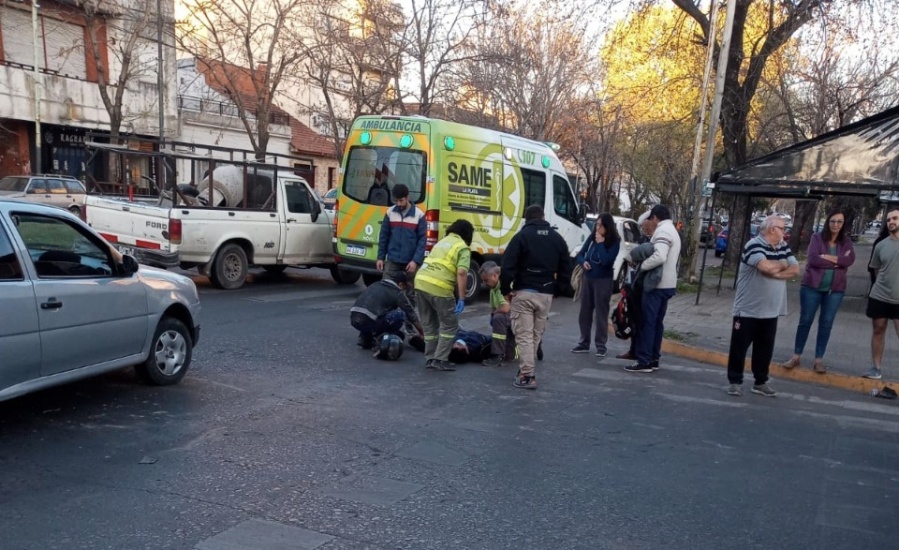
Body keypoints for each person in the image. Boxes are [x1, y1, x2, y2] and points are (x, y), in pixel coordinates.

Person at [726, 215, 799, 397]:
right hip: (748, 309)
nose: (785, 231)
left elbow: (795, 269)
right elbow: (765, 266)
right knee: (739, 347)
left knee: (765, 349)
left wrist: (777, 273)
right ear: (771, 228)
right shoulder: (754, 245)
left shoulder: (782, 246)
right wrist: (781, 264)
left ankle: (760, 381)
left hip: (771, 310)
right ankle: (735, 381)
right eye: (782, 228)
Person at [500, 205, 571, 389]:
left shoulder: (521, 237)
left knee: (523, 335)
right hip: (546, 294)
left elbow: (507, 265)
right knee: (535, 335)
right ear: (543, 217)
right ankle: (526, 367)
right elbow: (566, 267)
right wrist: (558, 289)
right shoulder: (557, 238)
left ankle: (527, 375)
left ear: (526, 219)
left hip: (524, 292)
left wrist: (505, 289)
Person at [781, 210, 855, 374]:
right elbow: (813, 259)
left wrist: (827, 257)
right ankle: (796, 356)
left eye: (839, 222)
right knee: (805, 320)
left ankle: (818, 360)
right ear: (828, 222)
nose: (835, 224)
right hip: (811, 287)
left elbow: (849, 260)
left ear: (843, 225)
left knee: (826, 324)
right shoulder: (816, 238)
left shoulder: (846, 242)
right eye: (833, 221)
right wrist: (837, 262)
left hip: (835, 290)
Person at [623, 205, 681, 373]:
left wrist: (642, 266)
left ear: (655, 218)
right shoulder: (671, 230)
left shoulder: (663, 232)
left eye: (651, 220)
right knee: (656, 323)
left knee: (648, 322)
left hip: (656, 285)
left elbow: (660, 255)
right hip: (667, 284)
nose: (649, 223)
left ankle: (645, 360)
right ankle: (654, 358)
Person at [415, 219, 473, 371]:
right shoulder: (463, 248)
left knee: (429, 324)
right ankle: (440, 359)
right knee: (450, 324)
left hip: (421, 282)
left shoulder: (441, 242)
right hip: (439, 286)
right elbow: (461, 272)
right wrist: (461, 297)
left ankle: (430, 358)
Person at [571, 212, 621, 359]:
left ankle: (601, 345)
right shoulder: (592, 238)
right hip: (589, 278)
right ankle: (583, 342)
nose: (597, 228)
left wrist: (600, 244)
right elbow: (581, 254)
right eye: (596, 225)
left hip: (603, 280)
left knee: (601, 313)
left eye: (600, 225)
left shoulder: (614, 242)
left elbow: (606, 261)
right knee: (584, 312)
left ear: (607, 227)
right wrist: (583, 262)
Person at [863, 208, 899, 380]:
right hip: (879, 296)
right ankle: (876, 368)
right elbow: (876, 269)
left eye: (895, 218)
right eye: (889, 219)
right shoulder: (881, 244)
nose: (891, 222)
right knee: (878, 329)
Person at [350, 272, 423, 350]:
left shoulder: (376, 284)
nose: (404, 290)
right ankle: (383, 338)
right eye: (405, 287)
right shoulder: (396, 292)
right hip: (369, 321)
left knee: (373, 313)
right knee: (400, 314)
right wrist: (422, 333)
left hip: (354, 318)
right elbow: (411, 313)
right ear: (400, 284)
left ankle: (365, 338)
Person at [616, 210, 652, 361]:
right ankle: (633, 350)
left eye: (644, 226)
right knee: (631, 317)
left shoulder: (654, 241)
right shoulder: (643, 238)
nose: (643, 229)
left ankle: (640, 352)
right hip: (634, 282)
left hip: (644, 284)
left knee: (640, 319)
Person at [376, 183, 426, 284]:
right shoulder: (390, 213)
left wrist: (415, 261)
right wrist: (380, 258)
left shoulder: (419, 215)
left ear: (407, 197)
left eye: (401, 200)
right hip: (392, 260)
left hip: (410, 262)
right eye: (396, 201)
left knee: (411, 294)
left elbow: (422, 240)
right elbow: (383, 237)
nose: (398, 204)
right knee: (386, 289)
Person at [478, 261, 517, 366]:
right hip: (514, 317)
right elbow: (495, 307)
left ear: (495, 276)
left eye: (486, 280)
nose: (484, 283)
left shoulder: (504, 285)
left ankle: (497, 355)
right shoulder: (493, 289)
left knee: (499, 318)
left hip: (521, 317)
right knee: (510, 356)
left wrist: (494, 314)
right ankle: (510, 352)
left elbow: (505, 308)